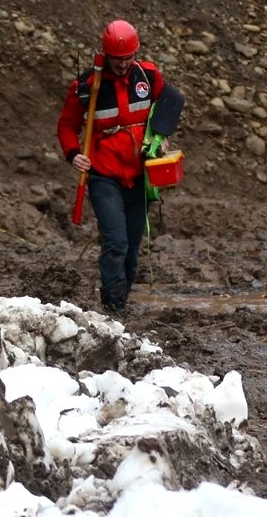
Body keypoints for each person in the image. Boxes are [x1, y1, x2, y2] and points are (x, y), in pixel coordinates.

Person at [57, 19, 183, 315]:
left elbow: (171, 101)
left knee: (132, 250)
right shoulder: (87, 86)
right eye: (118, 59)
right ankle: (113, 306)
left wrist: (161, 135)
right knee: (116, 242)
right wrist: (73, 153)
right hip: (104, 176)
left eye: (128, 58)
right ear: (106, 55)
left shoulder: (148, 75)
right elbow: (66, 125)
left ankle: (120, 302)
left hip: (140, 177)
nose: (124, 64)